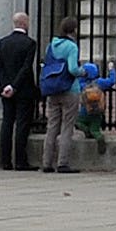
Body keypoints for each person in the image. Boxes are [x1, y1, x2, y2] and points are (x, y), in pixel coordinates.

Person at [0, 11, 41, 172]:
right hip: (23, 90)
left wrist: (5, 85)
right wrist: (15, 86)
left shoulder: (3, 42)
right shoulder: (30, 43)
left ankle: (5, 161)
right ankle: (20, 161)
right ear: (25, 24)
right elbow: (26, 68)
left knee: (7, 123)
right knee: (21, 125)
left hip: (6, 90)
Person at [39, 27, 86, 174]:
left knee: (52, 126)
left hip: (53, 89)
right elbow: (73, 69)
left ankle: (46, 162)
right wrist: (82, 71)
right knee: (67, 127)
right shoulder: (71, 46)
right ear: (74, 30)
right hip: (69, 89)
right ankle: (62, 163)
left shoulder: (51, 45)